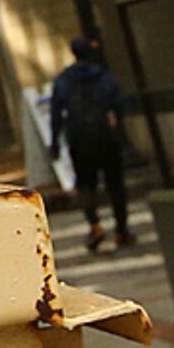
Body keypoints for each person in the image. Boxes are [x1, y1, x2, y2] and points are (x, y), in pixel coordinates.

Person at [48, 35, 132, 253]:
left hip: (79, 139)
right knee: (115, 184)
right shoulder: (103, 76)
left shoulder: (64, 80)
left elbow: (56, 112)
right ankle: (121, 228)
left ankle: (94, 224)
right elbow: (118, 104)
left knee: (86, 184)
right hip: (105, 136)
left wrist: (55, 141)